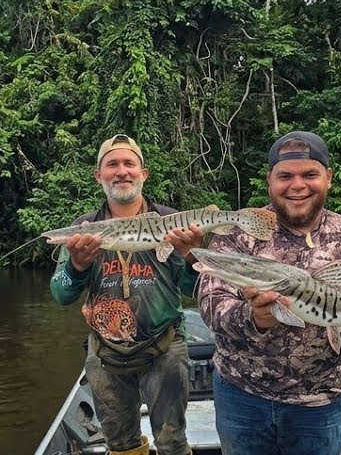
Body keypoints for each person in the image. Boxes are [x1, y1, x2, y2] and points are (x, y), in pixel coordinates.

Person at [197, 130, 341, 455]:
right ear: (270, 179)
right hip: (242, 396)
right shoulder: (240, 232)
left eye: (310, 174)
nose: (297, 185)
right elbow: (211, 305)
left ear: (328, 178)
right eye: (285, 176)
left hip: (319, 403)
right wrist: (253, 317)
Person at [50, 134, 204, 455]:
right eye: (112, 165)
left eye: (129, 163)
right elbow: (61, 293)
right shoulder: (84, 227)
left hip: (165, 349)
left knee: (173, 443)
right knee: (120, 446)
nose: (122, 171)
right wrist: (77, 266)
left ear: (143, 173)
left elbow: (194, 289)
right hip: (106, 354)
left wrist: (192, 255)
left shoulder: (169, 222)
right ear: (99, 176)